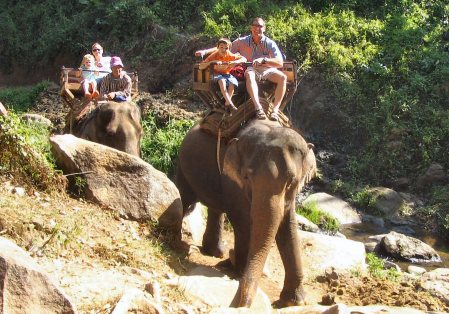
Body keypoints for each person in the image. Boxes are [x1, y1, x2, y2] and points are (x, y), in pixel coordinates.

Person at [195, 17, 287, 121]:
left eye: (260, 26)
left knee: (283, 77)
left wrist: (264, 60)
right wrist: (205, 51)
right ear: (251, 28)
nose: (257, 29)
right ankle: (258, 108)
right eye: (255, 26)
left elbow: (280, 62)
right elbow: (223, 47)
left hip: (266, 69)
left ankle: (274, 111)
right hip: (250, 68)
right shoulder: (242, 41)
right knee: (249, 75)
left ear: (264, 28)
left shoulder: (269, 43)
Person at [199, 37, 247, 112]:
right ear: (217, 47)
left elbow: (244, 59)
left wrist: (235, 62)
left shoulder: (229, 55)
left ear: (229, 49)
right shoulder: (214, 55)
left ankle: (227, 102)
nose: (224, 50)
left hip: (226, 74)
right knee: (222, 81)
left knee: (232, 83)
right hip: (215, 74)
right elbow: (201, 66)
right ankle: (230, 103)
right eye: (221, 47)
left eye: (226, 48)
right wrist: (212, 62)